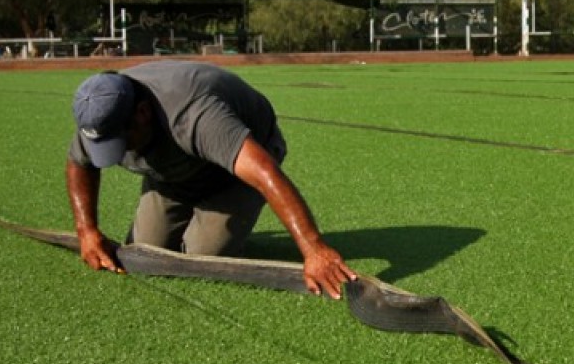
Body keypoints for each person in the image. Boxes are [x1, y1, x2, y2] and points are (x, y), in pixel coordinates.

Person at [65, 60, 356, 299]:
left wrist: (314, 248)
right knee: (147, 254)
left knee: (203, 257)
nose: (117, 151)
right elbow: (79, 164)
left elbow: (266, 174)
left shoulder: (194, 115)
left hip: (232, 172)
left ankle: (225, 221)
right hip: (173, 173)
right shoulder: (98, 114)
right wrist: (86, 231)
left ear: (142, 113)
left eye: (121, 140)